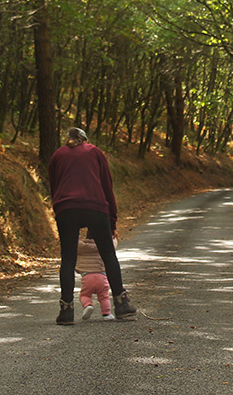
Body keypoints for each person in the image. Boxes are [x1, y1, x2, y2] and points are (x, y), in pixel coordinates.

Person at [48, 127, 136, 325]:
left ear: (68, 140)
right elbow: (107, 187)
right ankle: (121, 305)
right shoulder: (94, 152)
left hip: (66, 208)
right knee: (108, 254)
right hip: (95, 206)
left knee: (68, 259)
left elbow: (54, 186)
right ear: (84, 140)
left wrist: (59, 210)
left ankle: (66, 311)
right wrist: (112, 221)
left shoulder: (57, 155)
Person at [76, 230, 117, 321]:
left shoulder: (82, 246)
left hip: (87, 277)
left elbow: (75, 241)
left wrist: (77, 233)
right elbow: (113, 244)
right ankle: (107, 314)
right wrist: (113, 236)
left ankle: (88, 305)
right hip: (102, 277)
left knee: (84, 295)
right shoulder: (104, 246)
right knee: (104, 296)